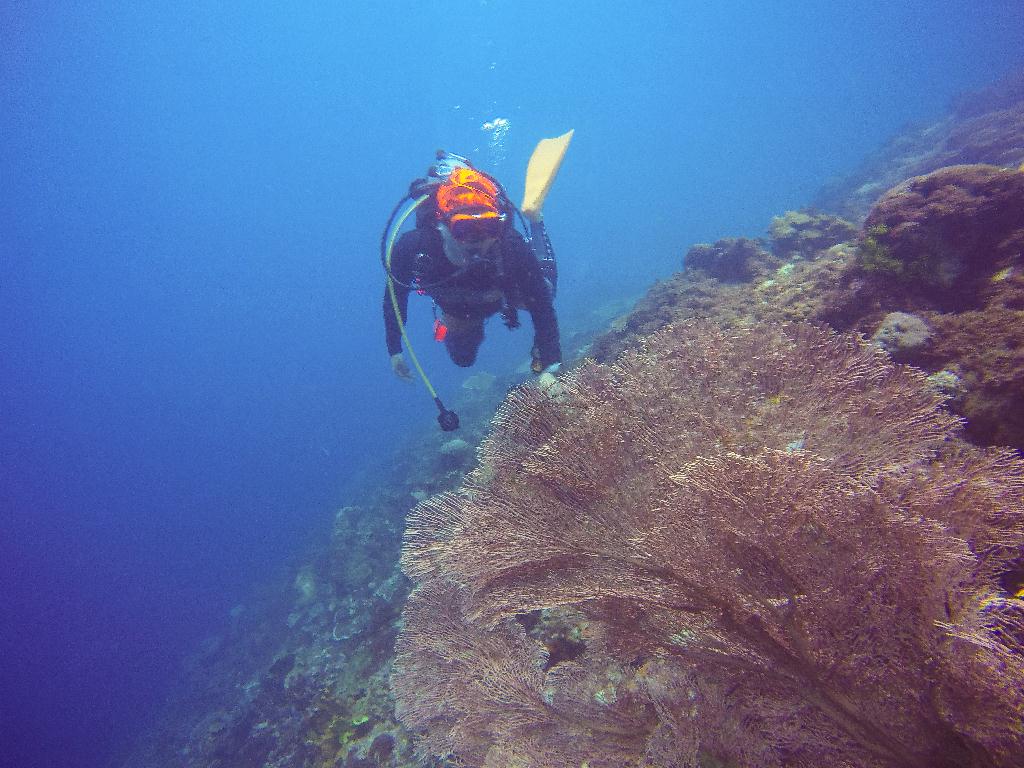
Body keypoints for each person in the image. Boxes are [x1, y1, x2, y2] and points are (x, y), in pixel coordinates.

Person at [383, 157, 561, 381]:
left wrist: (550, 362)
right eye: (464, 228)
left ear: (499, 224)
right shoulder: (418, 246)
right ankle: (533, 220)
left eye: (489, 226)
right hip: (488, 295)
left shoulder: (509, 246)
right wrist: (394, 349)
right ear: (444, 225)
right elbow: (394, 298)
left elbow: (541, 305)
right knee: (543, 292)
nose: (477, 240)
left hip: (490, 293)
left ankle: (535, 219)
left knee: (543, 290)